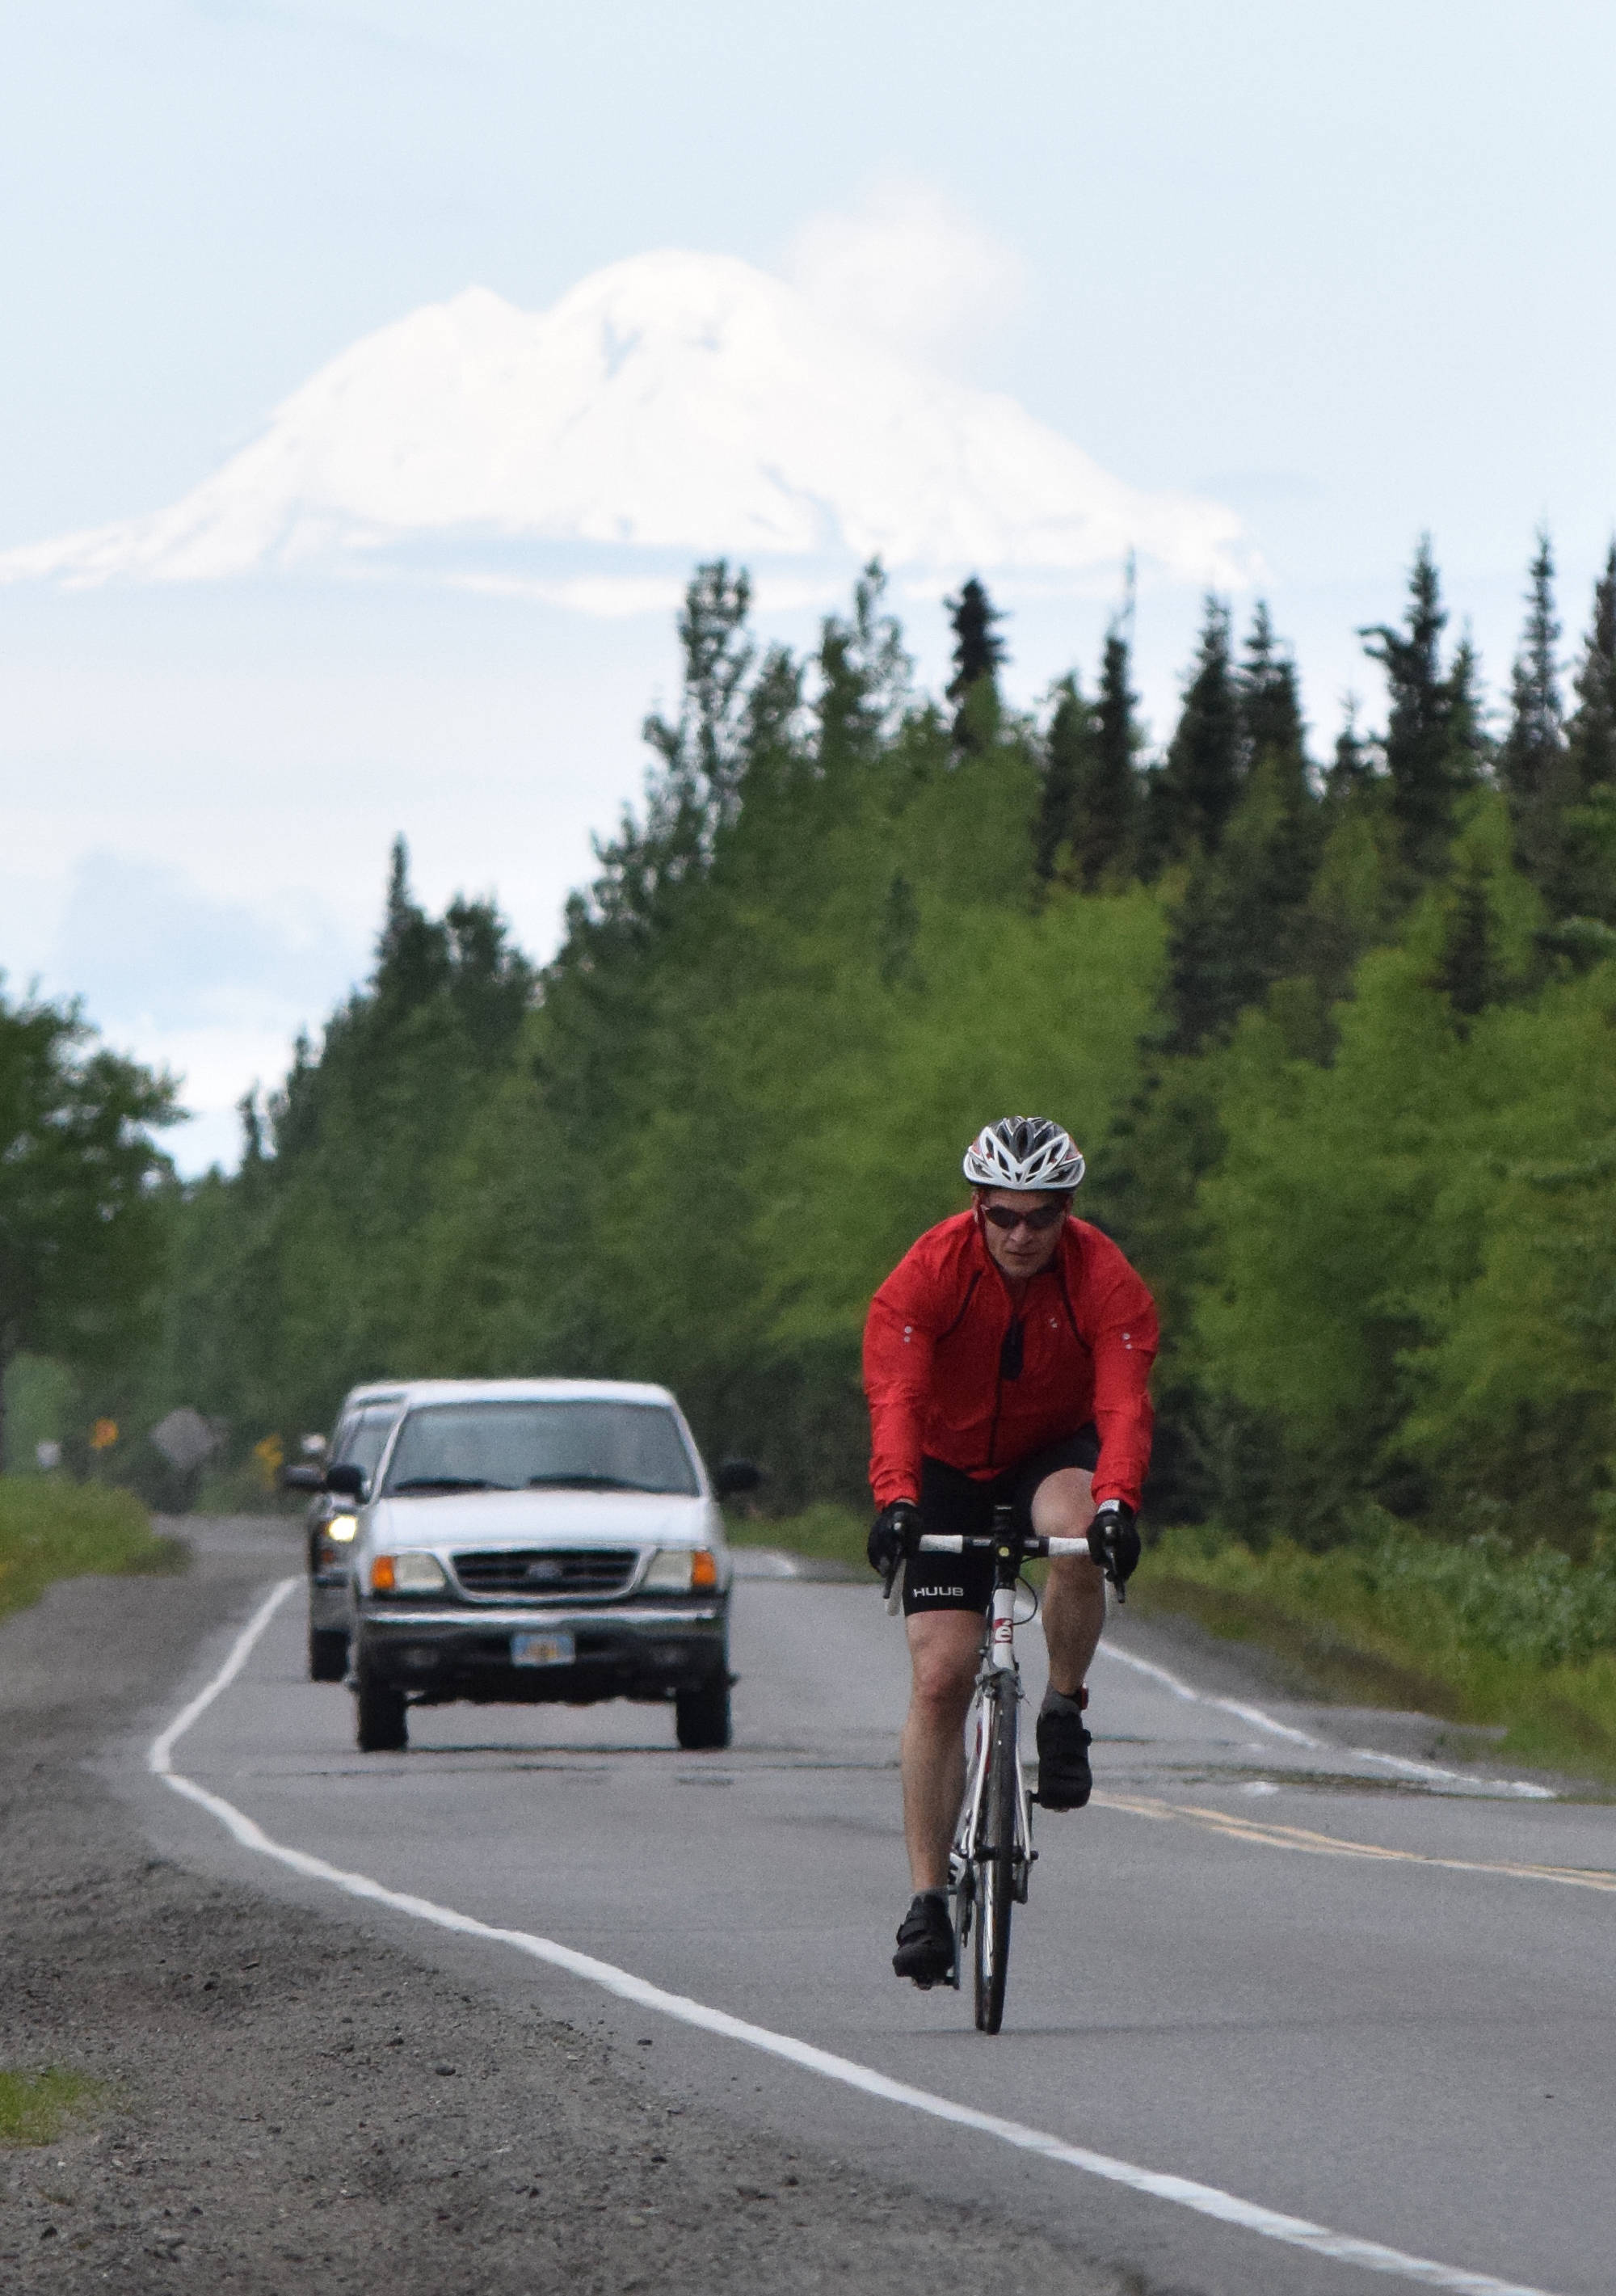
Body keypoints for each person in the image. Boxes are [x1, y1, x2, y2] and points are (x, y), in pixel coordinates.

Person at [863, 1115, 1157, 1986]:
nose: (1021, 1235)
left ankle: (1062, 1709)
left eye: (1040, 1217)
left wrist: (1116, 1508)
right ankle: (924, 1902)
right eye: (1002, 1217)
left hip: (1046, 1450)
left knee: (1075, 1534)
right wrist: (895, 1503)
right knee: (940, 1677)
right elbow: (897, 1398)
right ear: (975, 1207)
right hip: (944, 1462)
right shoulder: (925, 1276)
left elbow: (1122, 1409)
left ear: (1067, 1210)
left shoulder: (1106, 1280)